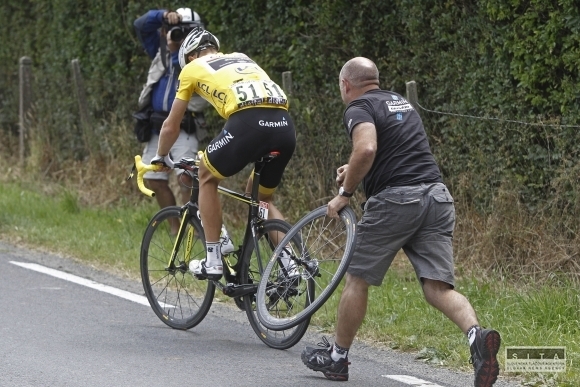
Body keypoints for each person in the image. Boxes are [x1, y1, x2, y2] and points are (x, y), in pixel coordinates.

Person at [300, 57, 501, 387]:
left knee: (356, 279)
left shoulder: (358, 106)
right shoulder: (401, 103)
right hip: (436, 197)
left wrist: (345, 192)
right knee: (437, 287)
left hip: (397, 201)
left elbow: (366, 148)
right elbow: (393, 152)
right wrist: (351, 170)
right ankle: (477, 338)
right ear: (376, 80)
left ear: (345, 85)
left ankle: (337, 358)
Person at [151, 27, 297, 280]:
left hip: (248, 123)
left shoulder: (192, 68)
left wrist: (161, 156)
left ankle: (214, 259)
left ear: (191, 56)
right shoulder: (243, 58)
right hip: (284, 127)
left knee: (206, 175)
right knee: (262, 200)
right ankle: (291, 264)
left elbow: (171, 125)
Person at [134, 7, 209, 235]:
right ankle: (175, 227)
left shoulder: (201, 58)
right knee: (153, 178)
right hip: (157, 125)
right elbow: (139, 25)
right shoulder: (160, 50)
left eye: (186, 31)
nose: (179, 35)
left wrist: (181, 52)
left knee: (186, 177)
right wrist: (163, 16)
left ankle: (191, 227)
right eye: (175, 30)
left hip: (184, 125)